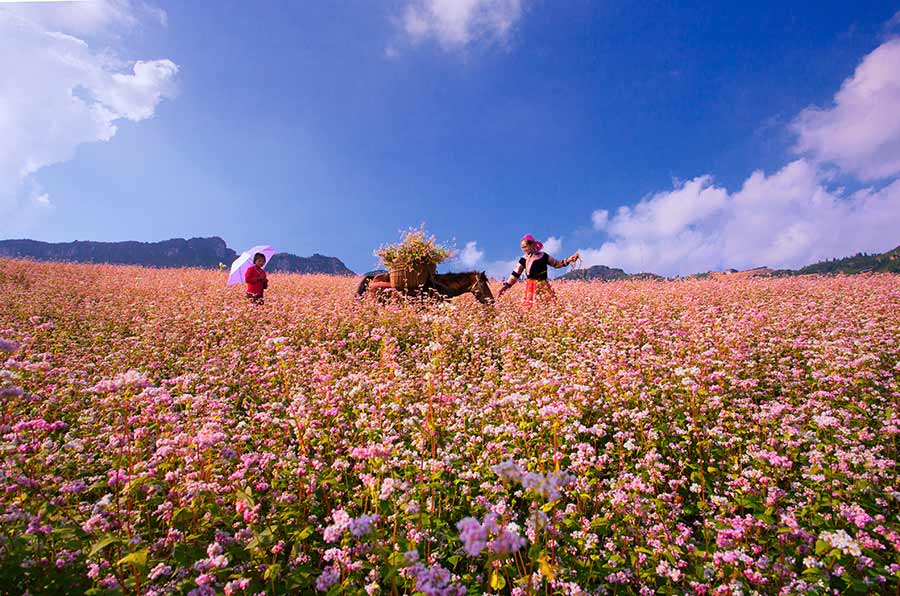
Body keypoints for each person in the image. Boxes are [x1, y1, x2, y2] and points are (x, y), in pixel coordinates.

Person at [497, 234, 578, 305]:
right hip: (531, 286)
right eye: (522, 248)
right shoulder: (524, 259)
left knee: (548, 307)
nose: (523, 249)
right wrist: (506, 286)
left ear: (532, 245)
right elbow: (515, 274)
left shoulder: (543, 255)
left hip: (544, 285)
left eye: (525, 247)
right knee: (532, 310)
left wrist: (569, 259)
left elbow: (556, 264)